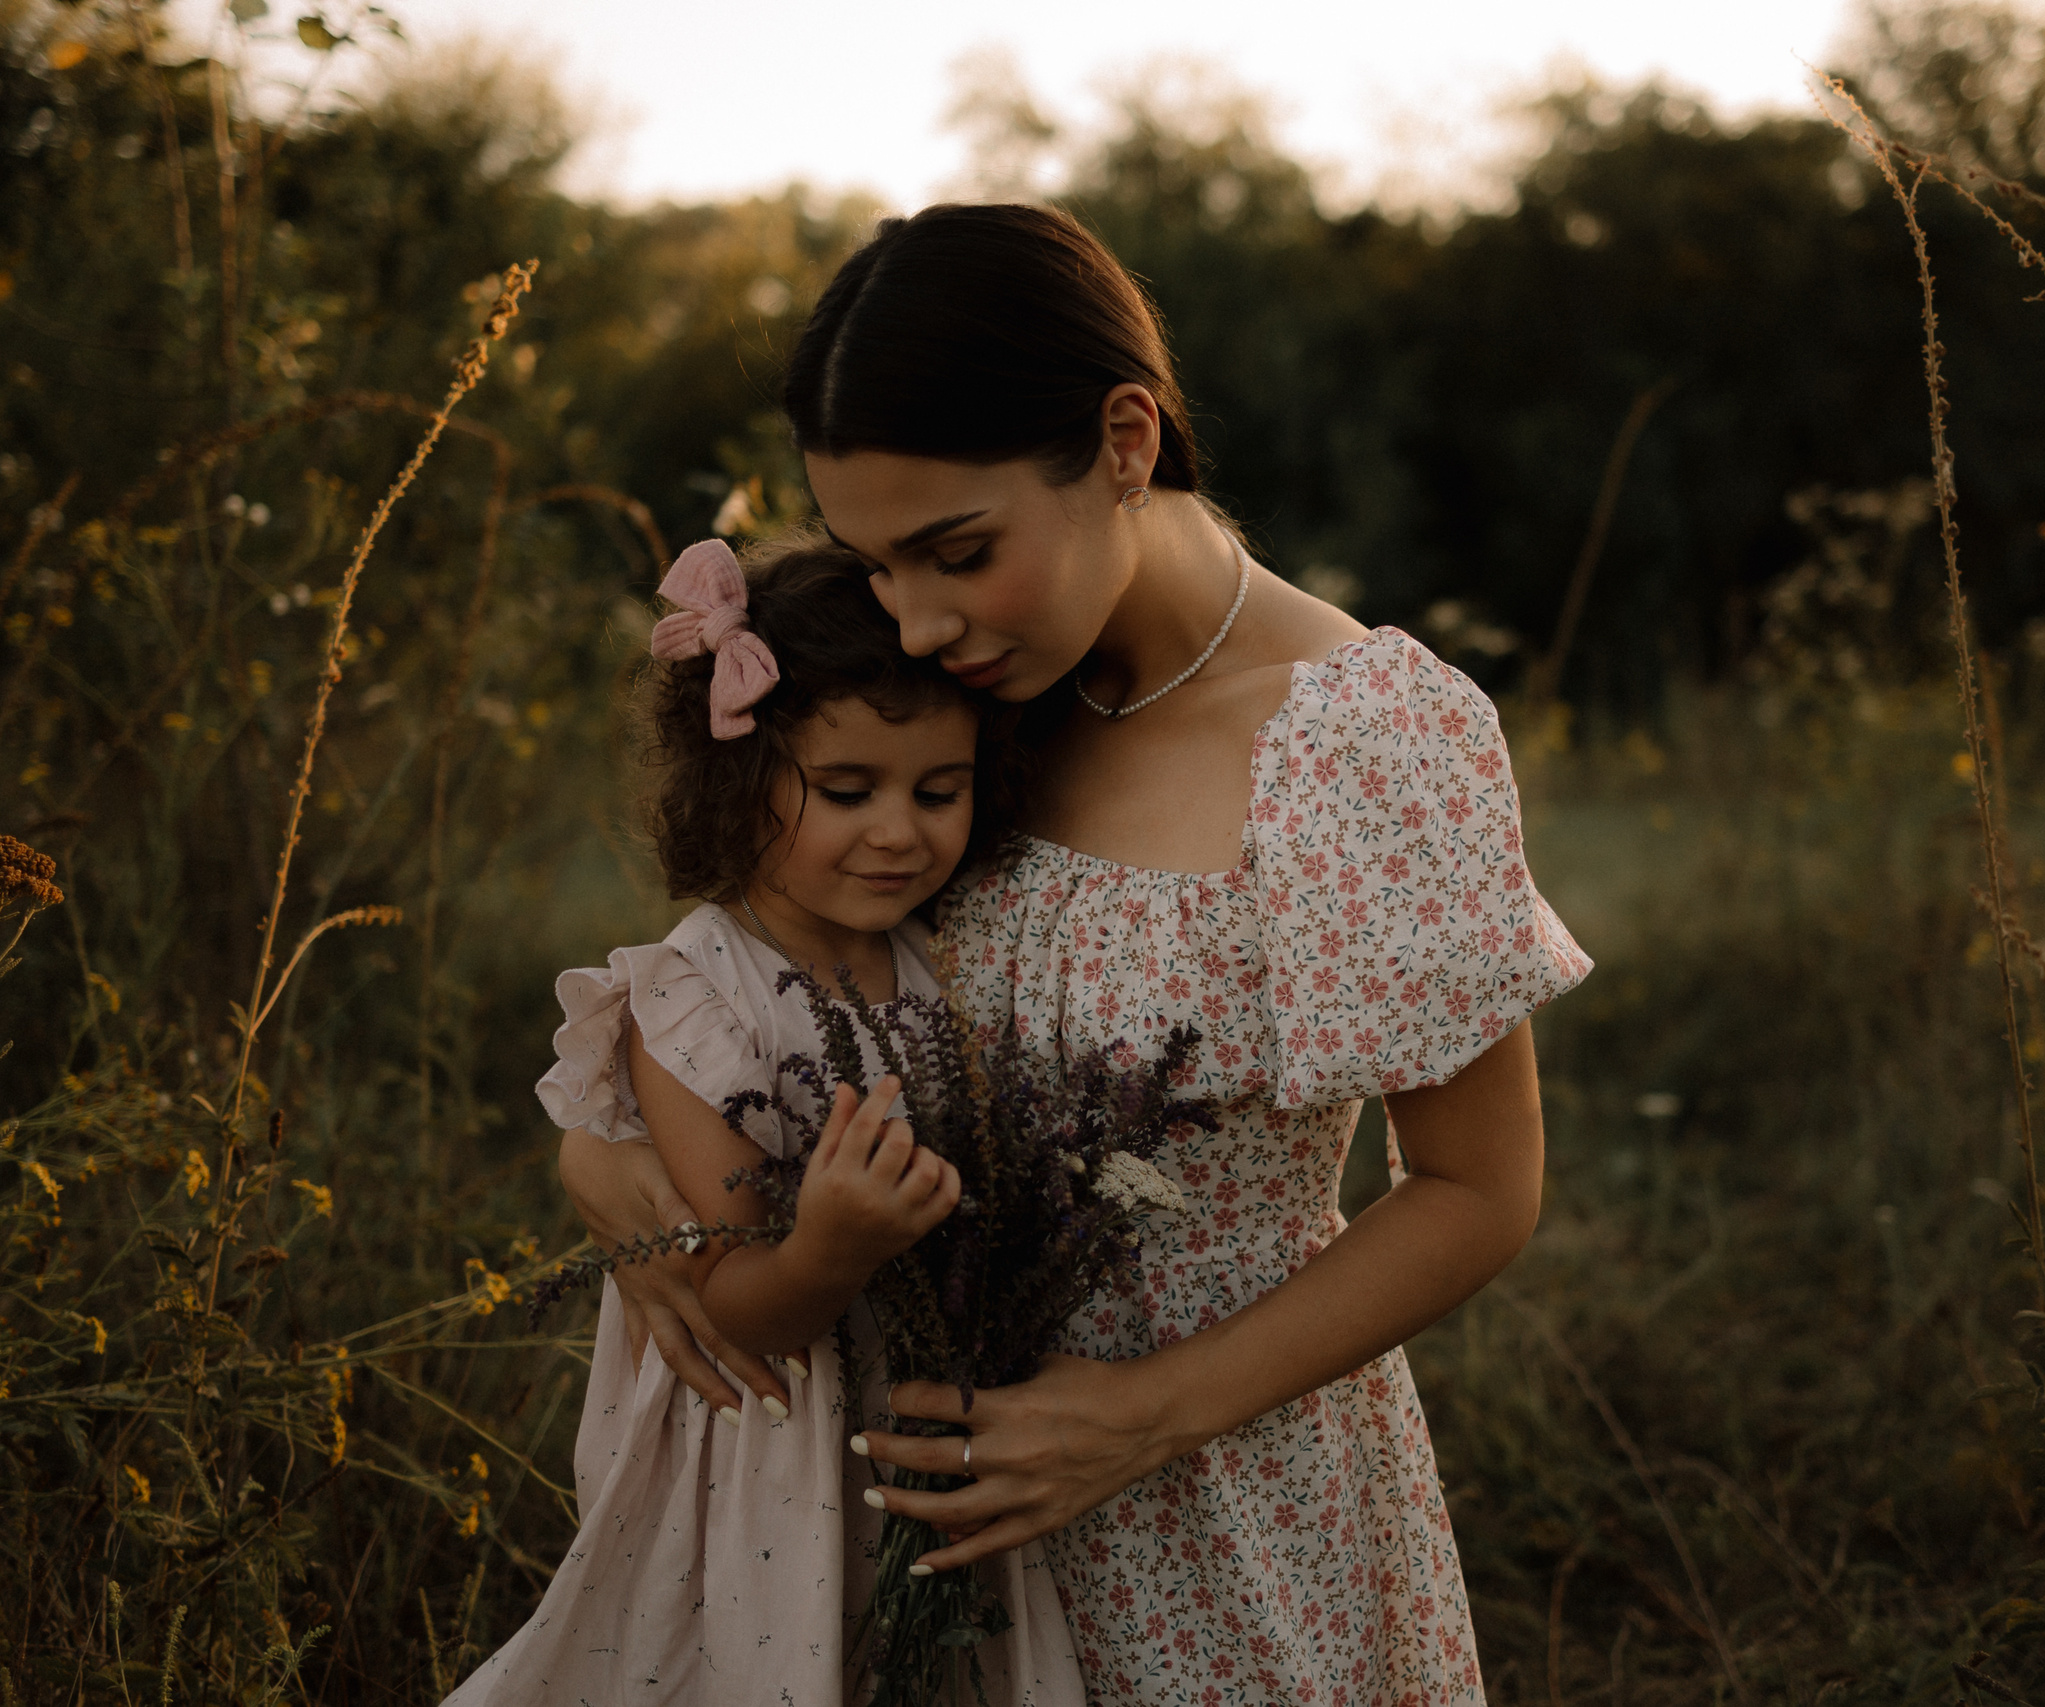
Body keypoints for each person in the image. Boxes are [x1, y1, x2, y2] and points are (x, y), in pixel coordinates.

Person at [560, 203, 1591, 1704]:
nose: (917, 621)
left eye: (957, 552)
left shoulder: (1359, 737)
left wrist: (1144, 1414)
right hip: (900, 1510)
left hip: (1224, 1502)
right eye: (875, 564)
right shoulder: (969, 711)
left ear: (1123, 438)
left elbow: (1478, 1189)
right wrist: (605, 1142)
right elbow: (764, 976)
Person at [456, 536, 1081, 1706]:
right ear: (740, 781)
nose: (898, 832)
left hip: (923, 1426)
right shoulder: (696, 1002)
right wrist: (832, 1247)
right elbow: (735, 1309)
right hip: (770, 1454)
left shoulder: (941, 959)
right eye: (847, 791)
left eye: (936, 792)